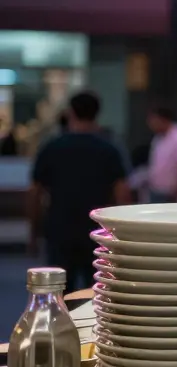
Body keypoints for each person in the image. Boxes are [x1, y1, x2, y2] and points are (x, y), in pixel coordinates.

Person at [28, 91, 131, 291]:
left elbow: (34, 193)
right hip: (98, 234)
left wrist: (33, 232)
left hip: (59, 231)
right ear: (97, 113)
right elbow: (122, 193)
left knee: (58, 295)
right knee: (98, 294)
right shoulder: (109, 149)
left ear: (71, 112)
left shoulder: (52, 147)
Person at [145, 105, 177, 203]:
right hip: (156, 191)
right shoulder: (157, 139)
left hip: (173, 194)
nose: (150, 124)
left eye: (153, 120)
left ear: (162, 119)